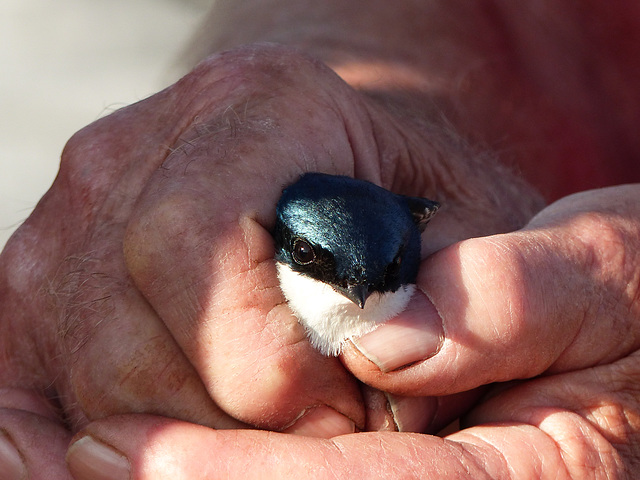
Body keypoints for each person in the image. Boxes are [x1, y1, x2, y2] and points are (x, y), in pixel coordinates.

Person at [1, 1, 639, 478]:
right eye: (310, 260)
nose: (356, 291)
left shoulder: (428, 271)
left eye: (384, 274)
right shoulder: (246, 258)